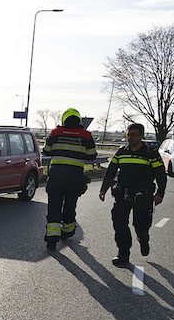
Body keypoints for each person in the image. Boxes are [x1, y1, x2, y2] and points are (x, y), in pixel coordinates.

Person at [99, 123, 166, 266]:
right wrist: (103, 189)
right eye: (128, 134)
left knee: (140, 225)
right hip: (123, 193)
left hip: (143, 195)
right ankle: (123, 254)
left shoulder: (150, 153)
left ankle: (143, 238)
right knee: (119, 223)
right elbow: (111, 171)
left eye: (134, 135)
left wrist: (160, 193)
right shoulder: (121, 152)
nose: (130, 137)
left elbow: (161, 175)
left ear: (142, 136)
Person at [42, 108, 97, 250]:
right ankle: (67, 232)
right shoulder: (86, 135)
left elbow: (46, 151)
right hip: (75, 176)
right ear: (79, 119)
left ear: (64, 119)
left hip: (56, 175)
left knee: (54, 205)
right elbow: (92, 155)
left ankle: (52, 239)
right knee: (70, 204)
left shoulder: (55, 132)